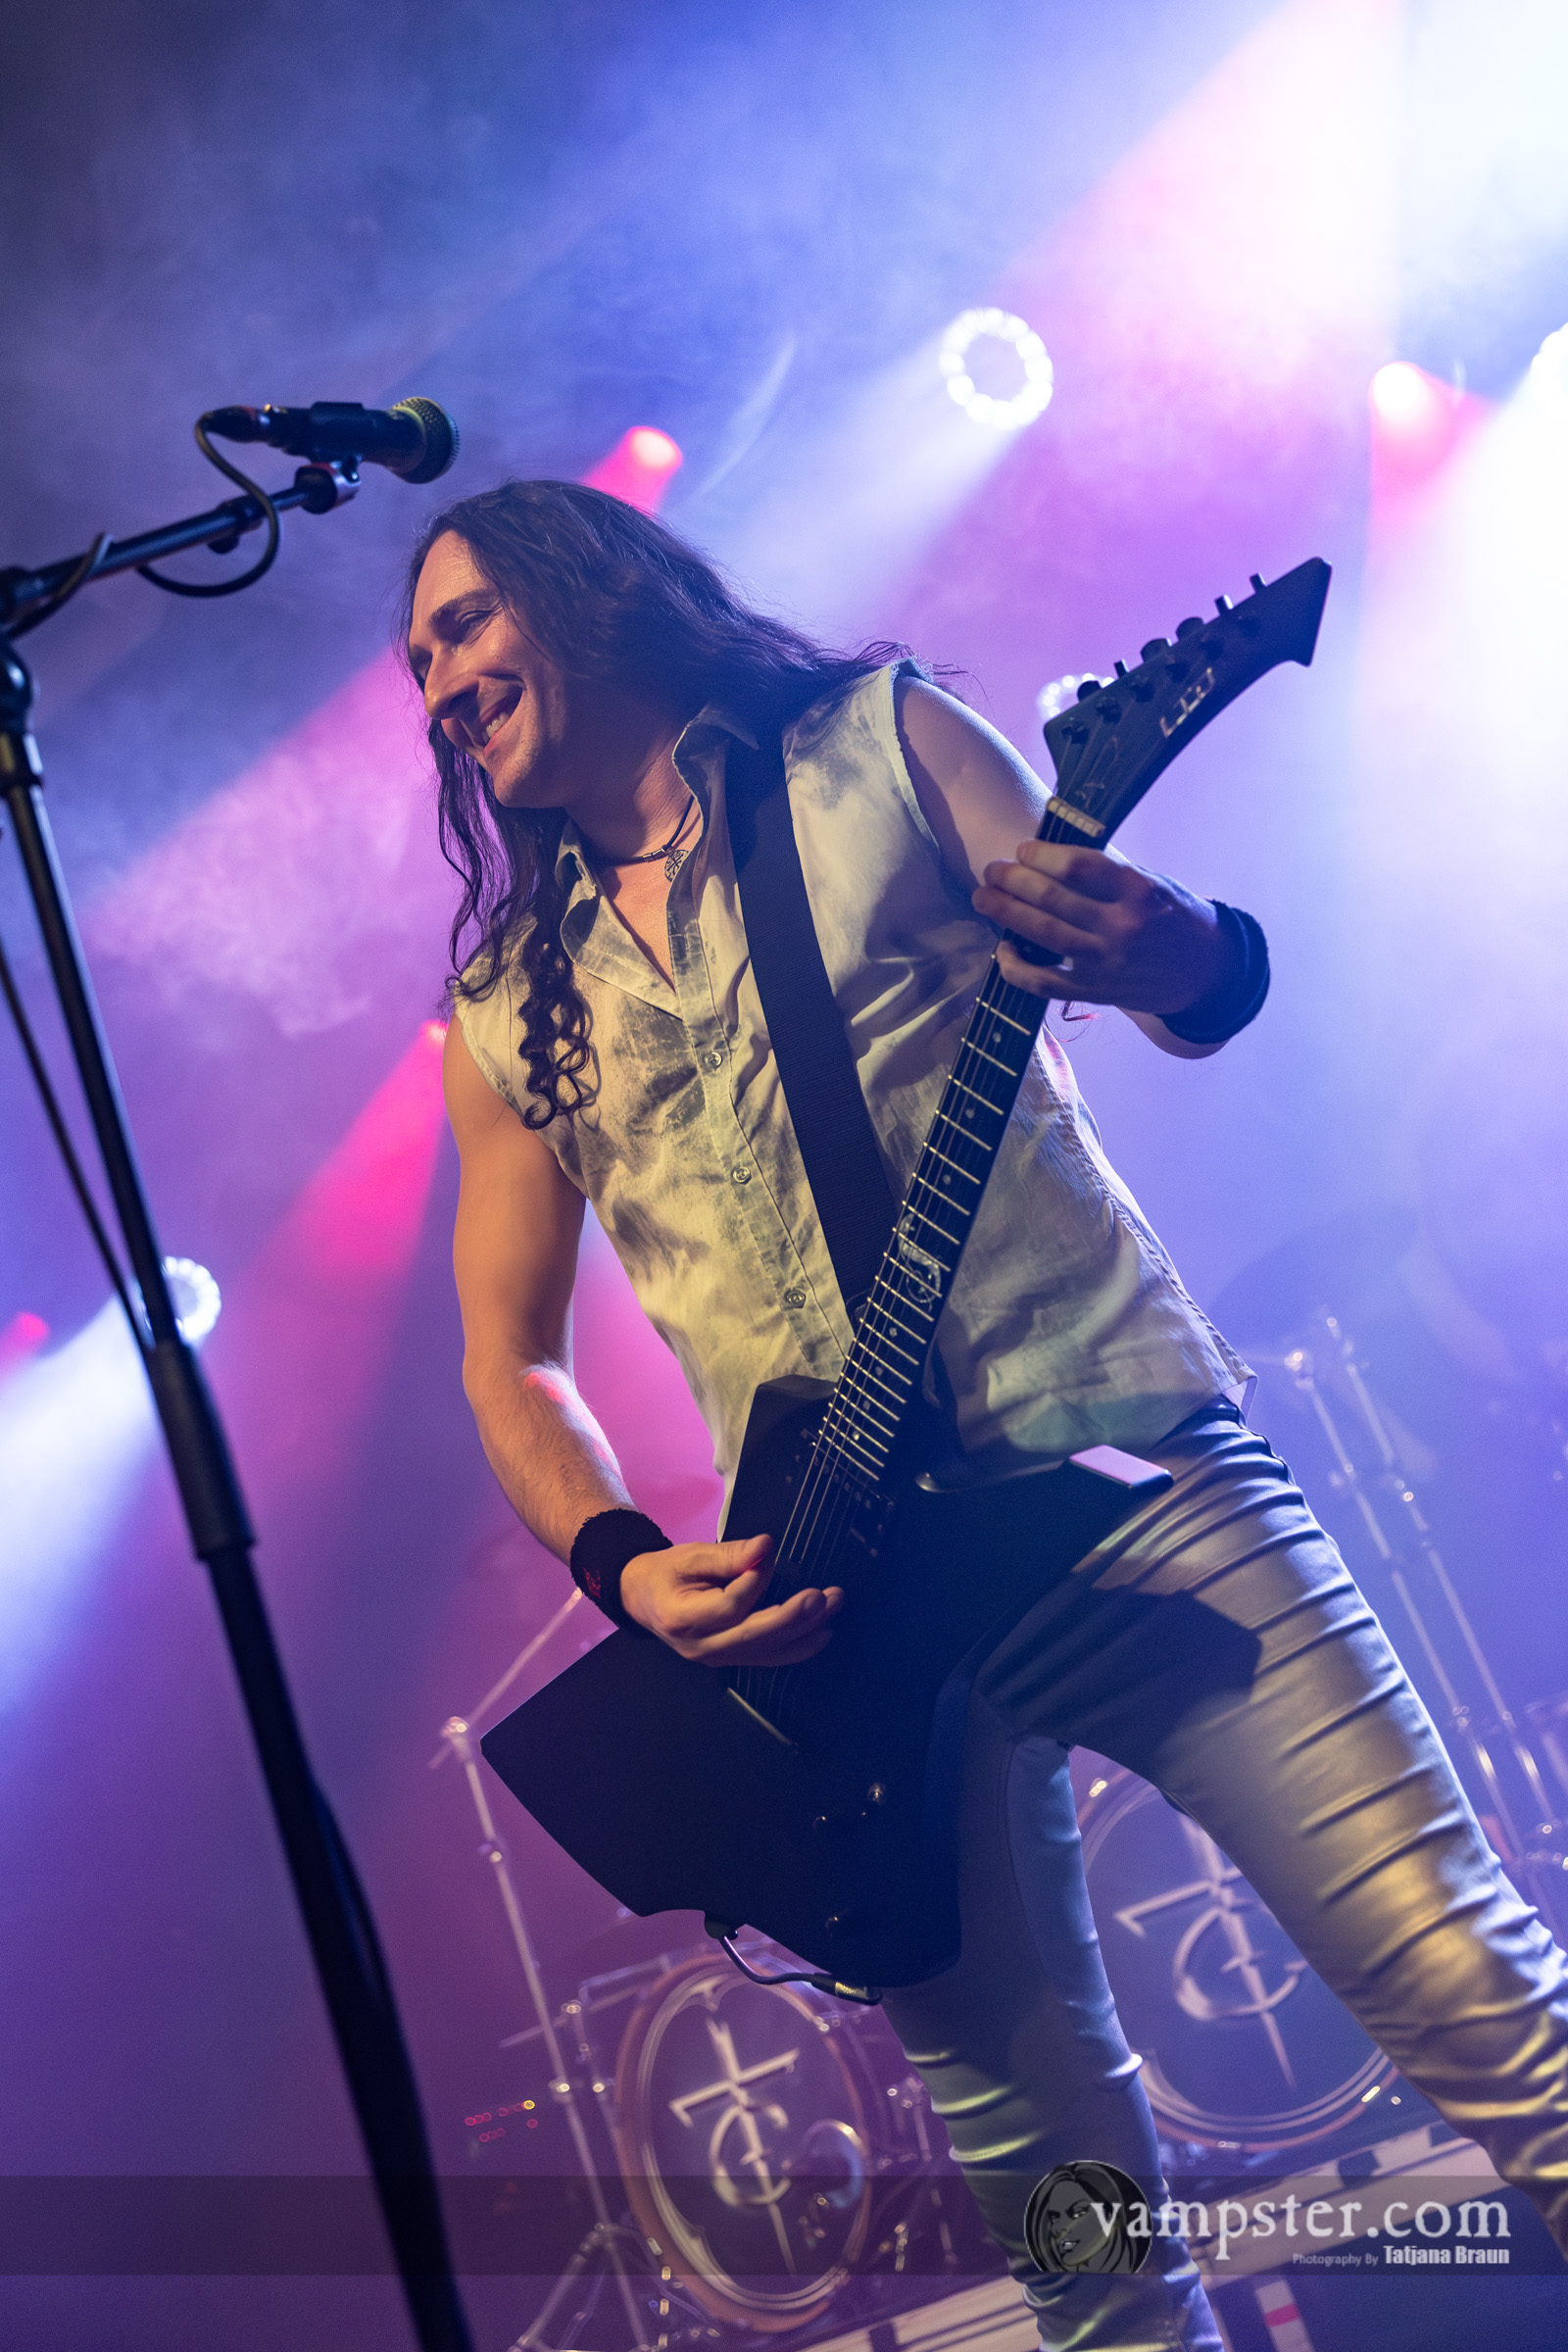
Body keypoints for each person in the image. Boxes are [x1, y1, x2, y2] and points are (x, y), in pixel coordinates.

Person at [404, 480, 1568, 2350]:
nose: (439, 682)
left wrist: (1177, 944)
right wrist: (624, 1565)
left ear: (585, 588)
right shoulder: (505, 1003)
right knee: (1083, 2247)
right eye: (416, 663)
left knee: (1478, 2000)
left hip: (1127, 1487)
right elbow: (510, 1361)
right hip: (860, 1624)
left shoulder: (883, 742)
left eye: (462, 624)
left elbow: (1167, 969)